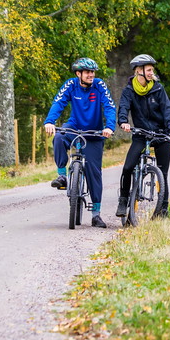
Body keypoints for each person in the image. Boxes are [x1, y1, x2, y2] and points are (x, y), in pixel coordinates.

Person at [44, 57, 116, 228]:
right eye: (87, 72)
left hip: (94, 133)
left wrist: (109, 127)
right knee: (60, 136)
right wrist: (49, 121)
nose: (91, 75)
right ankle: (62, 175)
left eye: (92, 72)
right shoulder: (71, 85)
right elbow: (58, 102)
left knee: (94, 173)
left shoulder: (99, 86)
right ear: (78, 74)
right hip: (75, 127)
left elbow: (109, 106)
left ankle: (96, 214)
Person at [116, 54, 170, 218]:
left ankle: (163, 211)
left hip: (161, 134)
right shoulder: (129, 90)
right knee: (128, 167)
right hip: (141, 134)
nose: (152, 73)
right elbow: (123, 108)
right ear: (139, 71)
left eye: (152, 70)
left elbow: (167, 111)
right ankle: (123, 201)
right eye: (149, 70)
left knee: (163, 173)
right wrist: (123, 121)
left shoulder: (158, 88)